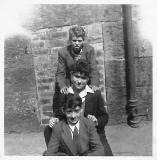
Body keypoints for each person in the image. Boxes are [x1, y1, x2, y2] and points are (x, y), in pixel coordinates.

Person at [44, 59, 113, 156]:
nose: (79, 81)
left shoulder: (94, 94)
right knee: (49, 132)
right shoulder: (64, 93)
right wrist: (55, 119)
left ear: (88, 79)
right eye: (77, 76)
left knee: (107, 156)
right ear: (71, 75)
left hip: (93, 134)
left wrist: (97, 121)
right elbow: (60, 114)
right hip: (73, 133)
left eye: (83, 78)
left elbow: (104, 116)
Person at [53, 25, 99, 115]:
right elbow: (60, 72)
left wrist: (94, 84)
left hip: (84, 79)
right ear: (70, 41)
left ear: (83, 40)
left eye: (79, 41)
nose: (77, 43)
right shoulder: (63, 52)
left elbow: (93, 69)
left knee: (95, 95)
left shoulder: (89, 50)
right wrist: (62, 86)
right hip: (70, 81)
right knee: (62, 97)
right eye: (74, 41)